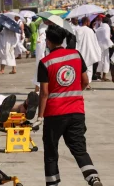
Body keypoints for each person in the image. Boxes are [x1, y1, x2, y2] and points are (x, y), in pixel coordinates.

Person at [33, 25, 103, 186]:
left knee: (51, 153)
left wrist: (40, 117)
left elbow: (44, 92)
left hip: (54, 114)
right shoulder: (76, 55)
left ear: (48, 42)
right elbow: (85, 81)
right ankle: (93, 177)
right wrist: (74, 93)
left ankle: (53, 184)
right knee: (79, 149)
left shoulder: (45, 62)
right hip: (76, 111)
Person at [76, 17, 101, 90]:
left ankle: (81, 82)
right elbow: (94, 42)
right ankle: (87, 84)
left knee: (80, 68)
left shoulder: (78, 30)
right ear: (87, 22)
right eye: (89, 21)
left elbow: (77, 41)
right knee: (89, 68)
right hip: (89, 51)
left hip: (80, 51)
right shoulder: (90, 31)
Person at [94, 16, 114, 81]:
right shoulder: (107, 27)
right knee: (106, 60)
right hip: (105, 46)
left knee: (100, 60)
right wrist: (111, 44)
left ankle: (98, 74)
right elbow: (106, 37)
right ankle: (104, 76)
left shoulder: (100, 28)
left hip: (99, 46)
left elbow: (96, 34)